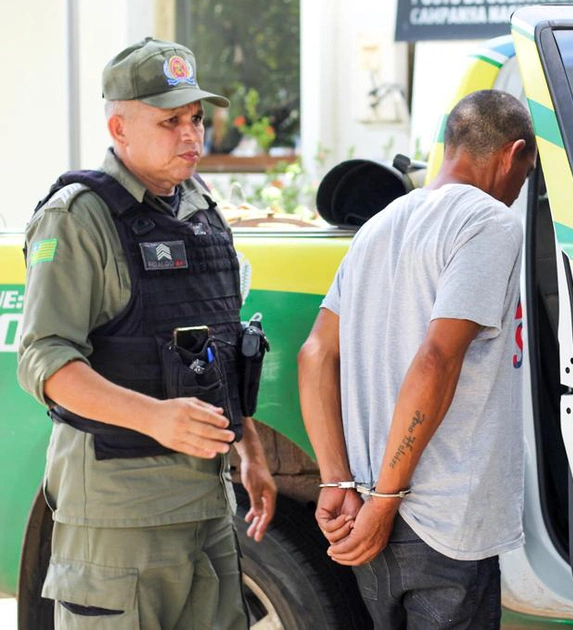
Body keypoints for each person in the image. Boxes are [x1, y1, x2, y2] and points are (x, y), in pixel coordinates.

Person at [18, 38, 276, 629]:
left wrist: (249, 450)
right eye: (170, 121)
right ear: (120, 126)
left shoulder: (199, 208)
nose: (191, 135)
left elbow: (218, 343)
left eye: (196, 119)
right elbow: (44, 360)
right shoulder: (78, 217)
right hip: (118, 523)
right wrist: (153, 416)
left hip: (205, 509)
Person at [298, 89, 536, 629]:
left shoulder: (378, 226)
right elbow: (436, 360)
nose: (520, 189)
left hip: (366, 519)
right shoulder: (489, 223)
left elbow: (315, 354)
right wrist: (385, 501)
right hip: (444, 523)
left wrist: (339, 485)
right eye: (526, 172)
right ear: (511, 154)